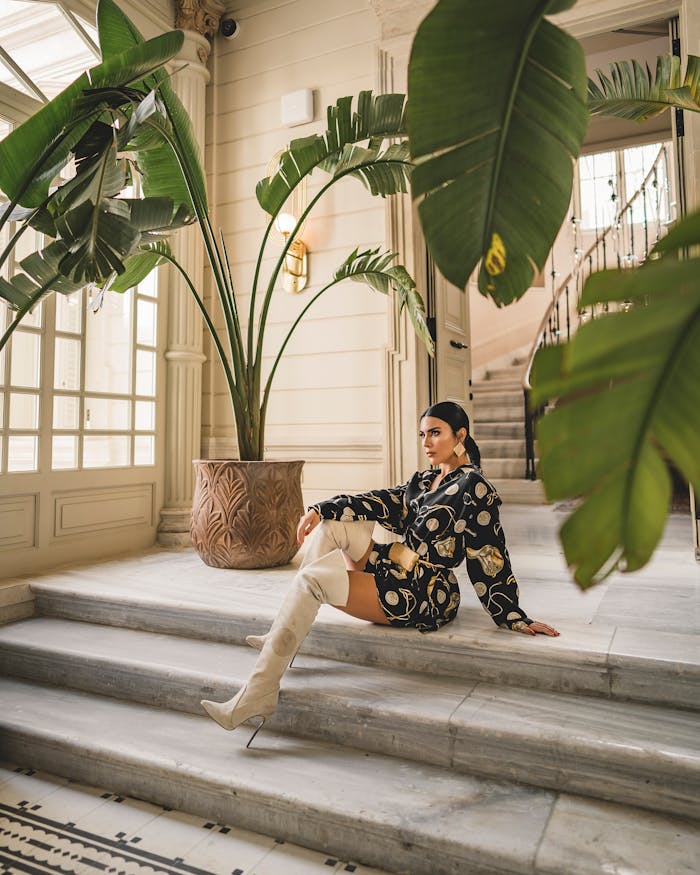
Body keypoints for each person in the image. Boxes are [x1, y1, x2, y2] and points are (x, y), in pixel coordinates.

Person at [201, 401, 559, 742]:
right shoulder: (423, 481)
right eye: (422, 435)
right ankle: (282, 635)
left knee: (312, 581)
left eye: (435, 433)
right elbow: (377, 500)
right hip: (393, 565)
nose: (427, 443)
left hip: (425, 591)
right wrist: (319, 508)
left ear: (460, 436)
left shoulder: (474, 487)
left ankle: (259, 693)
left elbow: (489, 553)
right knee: (333, 526)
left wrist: (511, 614)